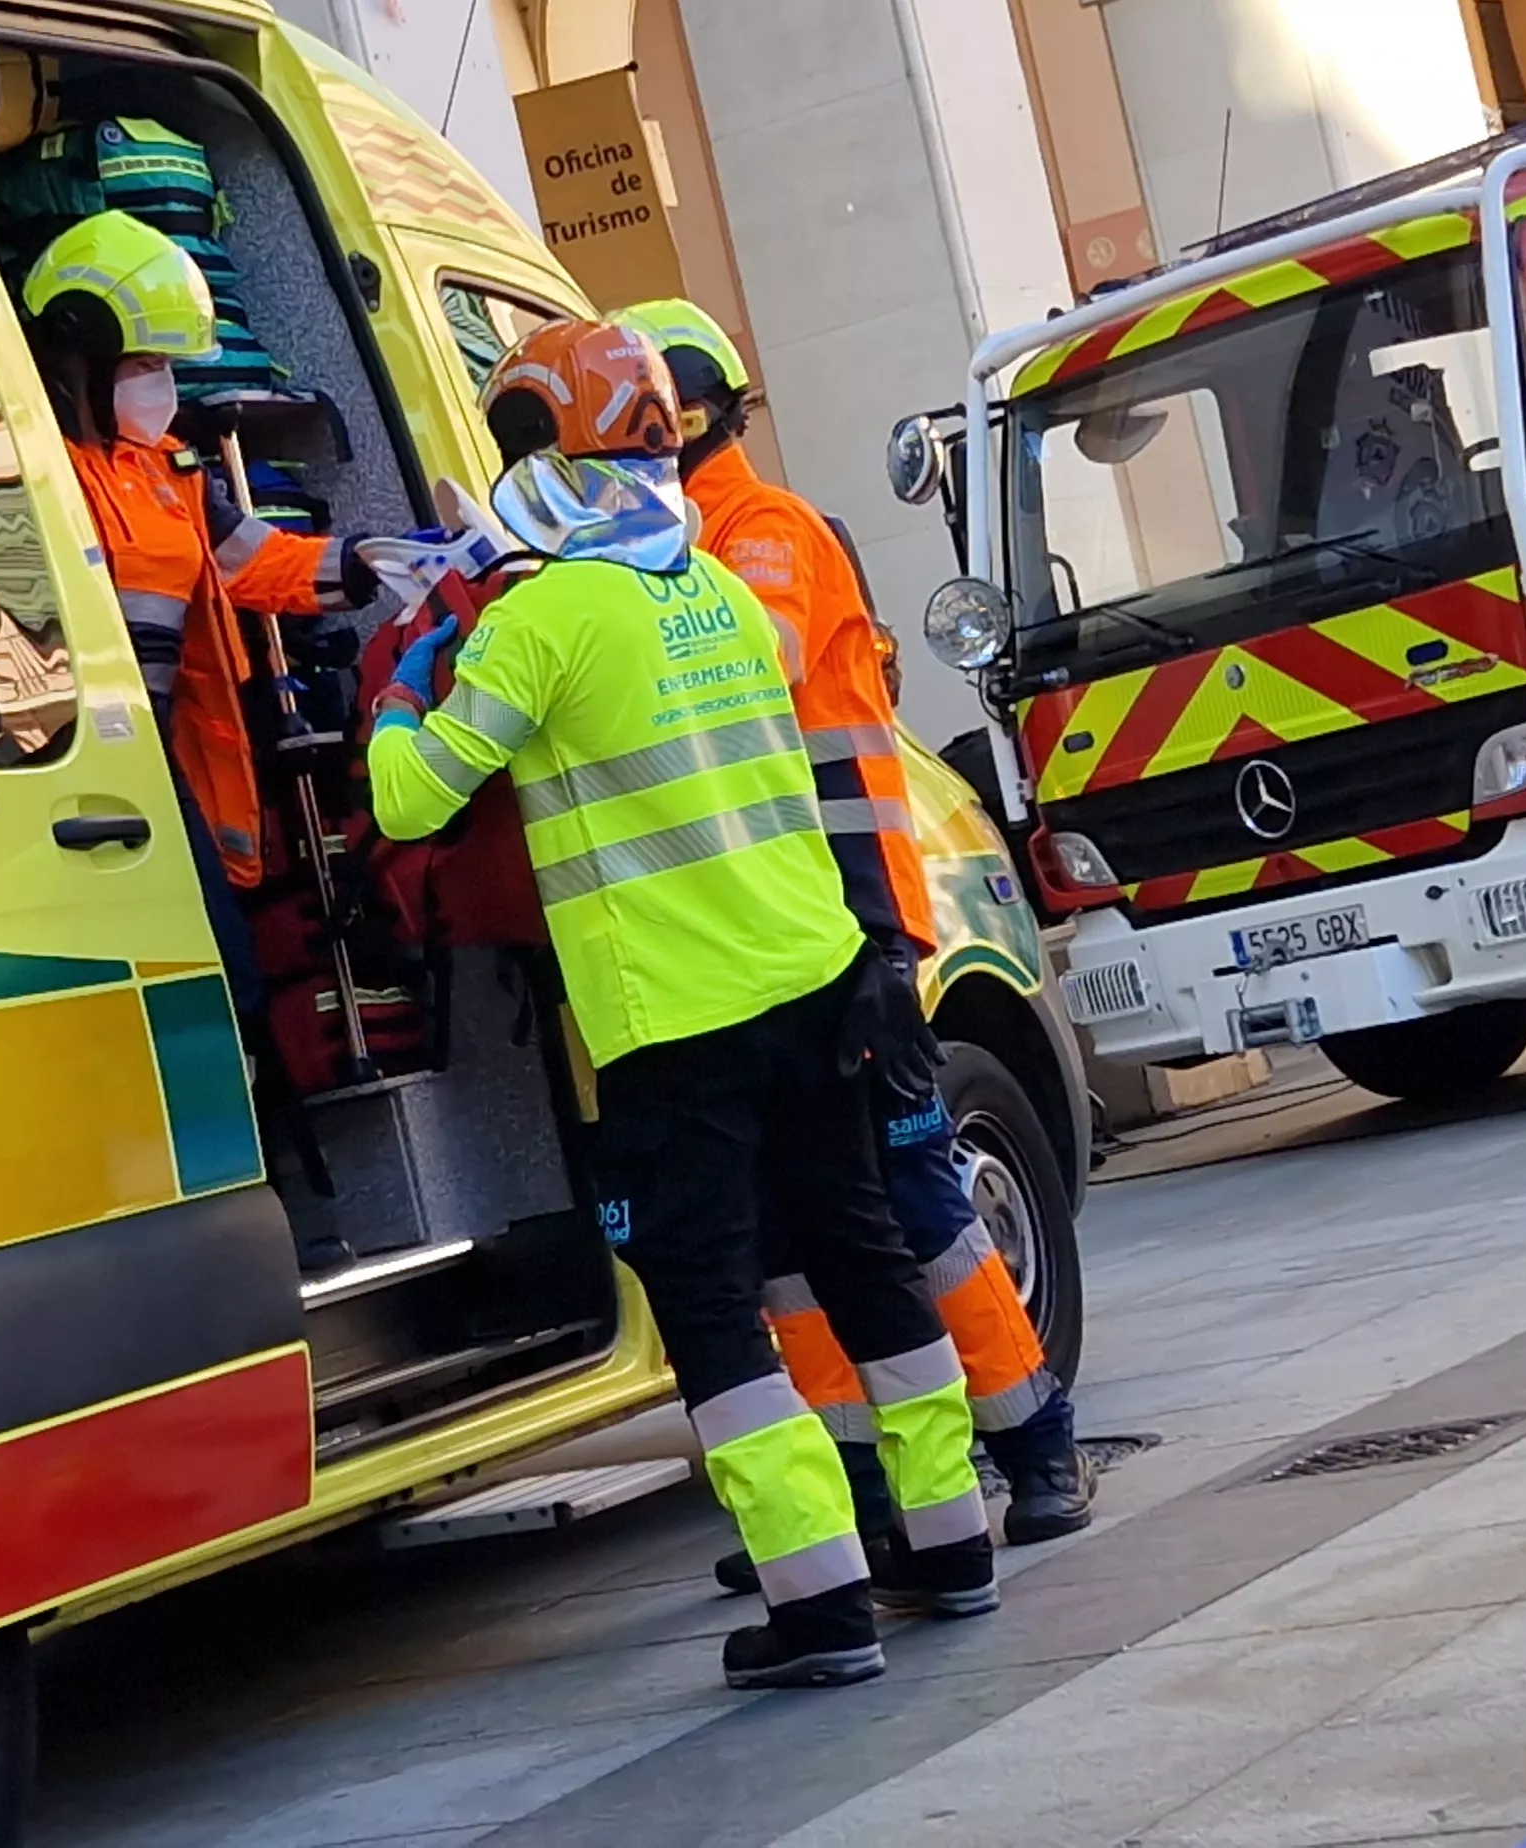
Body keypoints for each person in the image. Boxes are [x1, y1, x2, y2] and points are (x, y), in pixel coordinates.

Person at [368, 320, 994, 1689]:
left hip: (678, 1027)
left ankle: (821, 1605)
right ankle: (953, 1547)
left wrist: (410, 683)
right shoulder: (711, 587)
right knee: (865, 1257)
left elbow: (411, 801)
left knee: (715, 1311)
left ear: (544, 457)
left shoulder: (541, 622)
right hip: (814, 975)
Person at [612, 300, 1101, 1567]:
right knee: (792, 1241)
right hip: (770, 935)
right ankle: (853, 1497)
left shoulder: (757, 533)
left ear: (694, 414)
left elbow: (751, 666)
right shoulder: (667, 544)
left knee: (914, 1207)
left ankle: (1040, 1446)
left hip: (857, 918)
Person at [20, 209, 407, 1276]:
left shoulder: (166, 471)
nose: (159, 386)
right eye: (140, 363)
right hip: (70, 759)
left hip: (148, 771)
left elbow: (256, 563)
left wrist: (375, 560)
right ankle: (224, 1220)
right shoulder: (38, 470)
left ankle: (268, 1215)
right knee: (173, 995)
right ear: (79, 354)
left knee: (222, 982)